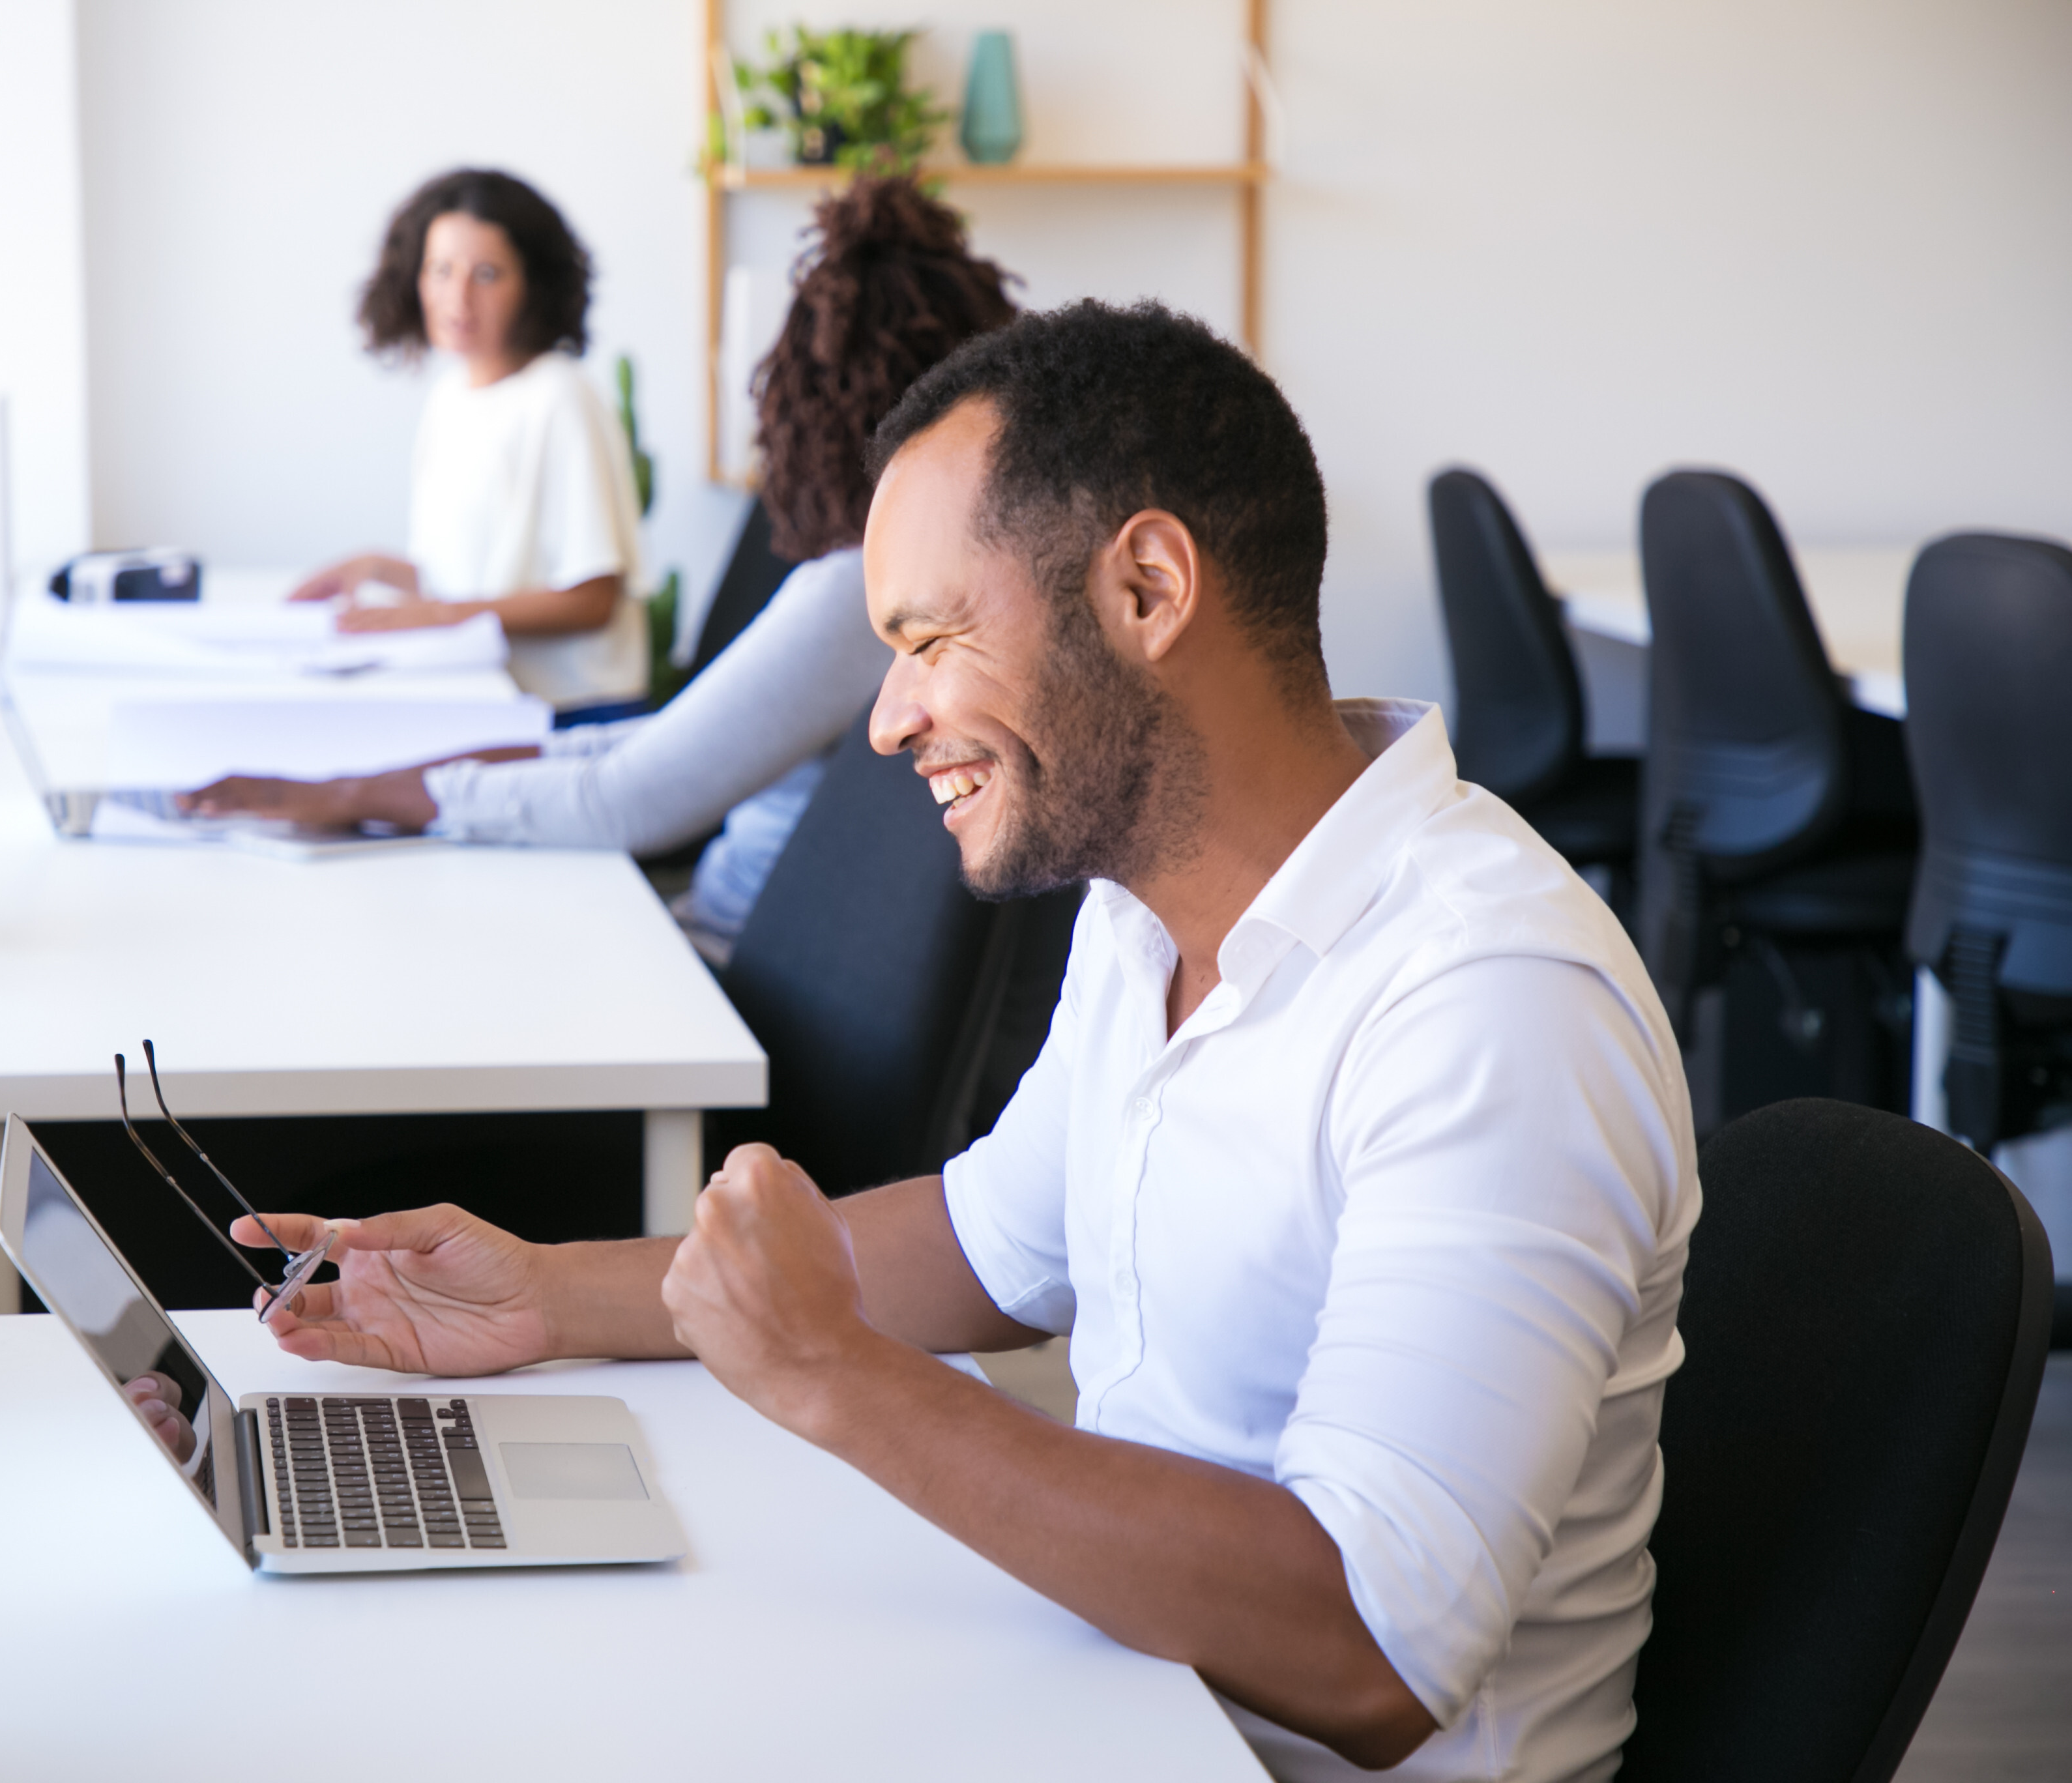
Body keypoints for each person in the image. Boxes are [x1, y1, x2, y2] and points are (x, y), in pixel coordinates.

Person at [222, 300, 1699, 1781]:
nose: (885, 719)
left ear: (1145, 586)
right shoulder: (1141, 917)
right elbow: (998, 1240)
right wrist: (550, 1289)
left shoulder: (1491, 997)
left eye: (930, 637)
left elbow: (1370, 1649)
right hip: (1123, 1707)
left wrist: (840, 1377)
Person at [186, 177, 1019, 960]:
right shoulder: (938, 577)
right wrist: (387, 781)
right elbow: (657, 749)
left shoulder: (863, 593)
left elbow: (629, 795)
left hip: (725, 960)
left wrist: (352, 797)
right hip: (716, 921)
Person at [289, 168, 647, 717]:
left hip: (570, 713)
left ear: (533, 284)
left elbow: (592, 600)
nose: (458, 298)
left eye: (486, 274)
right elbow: (469, 583)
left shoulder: (560, 397)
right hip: (484, 697)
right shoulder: (451, 396)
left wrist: (434, 616)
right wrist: (379, 569)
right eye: (440, 271)